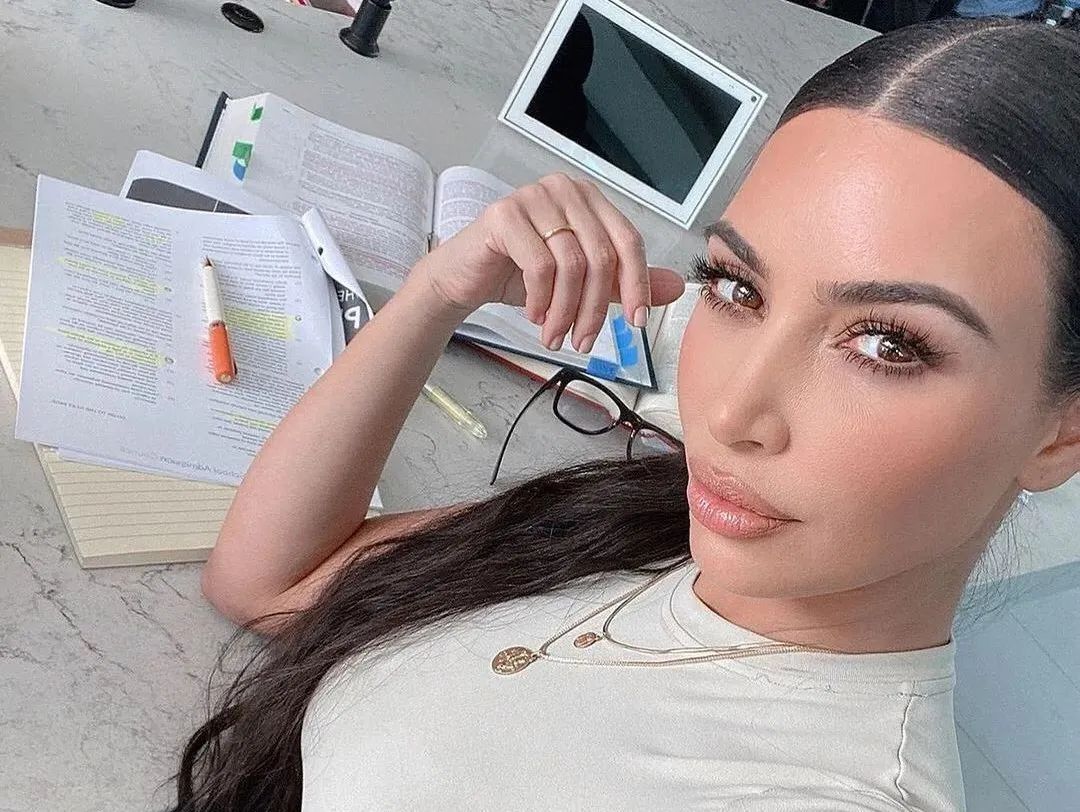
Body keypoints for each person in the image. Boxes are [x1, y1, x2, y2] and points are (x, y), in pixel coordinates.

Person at [172, 16, 1080, 812]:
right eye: (738, 287)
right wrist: (438, 292)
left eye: (887, 345)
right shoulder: (645, 525)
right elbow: (272, 582)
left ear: (1062, 431)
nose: (731, 412)